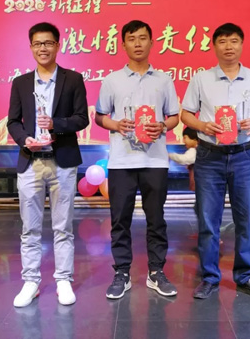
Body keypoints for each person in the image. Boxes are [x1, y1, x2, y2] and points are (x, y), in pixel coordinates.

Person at [181, 22, 250, 300]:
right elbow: (185, 114)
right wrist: (202, 125)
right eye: (222, 41)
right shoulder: (201, 79)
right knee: (208, 220)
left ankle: (246, 277)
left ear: (242, 45)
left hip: (244, 155)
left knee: (246, 220)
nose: (228, 47)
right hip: (209, 156)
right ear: (214, 46)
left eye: (234, 41)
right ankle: (210, 277)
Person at [95, 20, 180, 299]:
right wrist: (116, 124)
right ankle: (122, 272)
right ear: (123, 45)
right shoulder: (112, 80)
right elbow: (100, 116)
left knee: (156, 219)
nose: (138, 43)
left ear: (152, 42)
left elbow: (174, 116)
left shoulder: (164, 80)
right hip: (122, 162)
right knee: (120, 220)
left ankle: (156, 272)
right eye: (132, 39)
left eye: (143, 38)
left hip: (155, 161)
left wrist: (163, 126)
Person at [7, 22, 89, 307]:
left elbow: (82, 118)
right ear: (31, 47)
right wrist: (24, 139)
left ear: (58, 45)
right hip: (31, 161)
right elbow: (13, 121)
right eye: (38, 43)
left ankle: (63, 280)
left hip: (62, 161)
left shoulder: (73, 79)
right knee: (29, 227)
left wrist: (56, 124)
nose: (43, 48)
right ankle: (30, 281)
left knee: (63, 226)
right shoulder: (20, 83)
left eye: (48, 43)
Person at [168, 127, 198, 192]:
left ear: (194, 138)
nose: (183, 141)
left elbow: (183, 159)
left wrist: (169, 155)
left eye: (185, 138)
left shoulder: (195, 151)